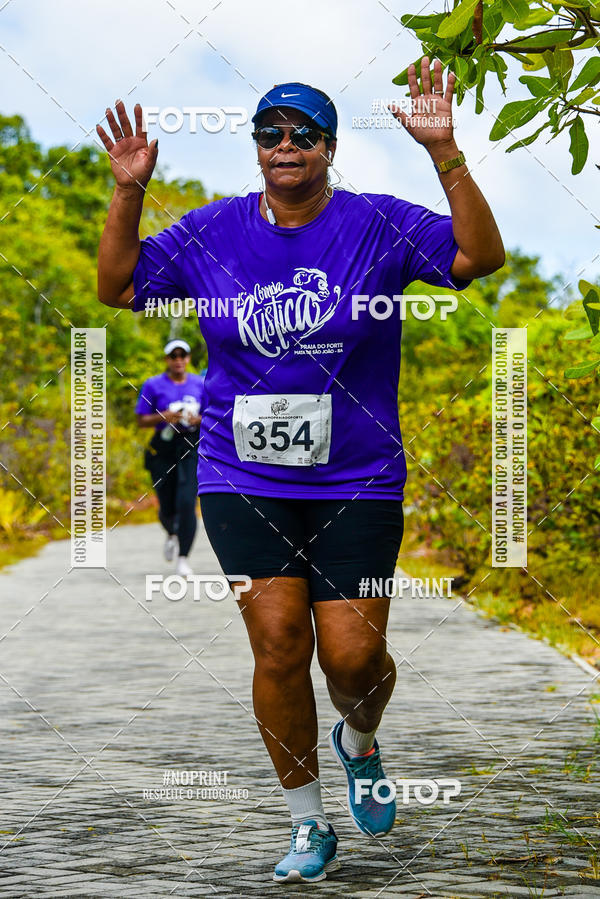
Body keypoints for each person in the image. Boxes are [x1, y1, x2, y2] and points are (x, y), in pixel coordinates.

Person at [97, 60, 504, 884]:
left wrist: (445, 149)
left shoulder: (375, 225)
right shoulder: (211, 232)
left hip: (357, 477)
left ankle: (358, 739)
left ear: (327, 148)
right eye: (269, 132)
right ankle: (307, 823)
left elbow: (479, 256)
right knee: (279, 645)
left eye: (303, 133)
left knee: (353, 658)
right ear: (256, 148)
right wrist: (130, 190)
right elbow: (119, 286)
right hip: (242, 476)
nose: (285, 145)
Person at [135, 338, 205, 576]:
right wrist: (163, 416)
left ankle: (183, 558)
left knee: (187, 502)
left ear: (188, 358)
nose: (178, 360)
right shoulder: (153, 385)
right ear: (167, 359)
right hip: (163, 447)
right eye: (173, 356)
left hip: (190, 445)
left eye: (182, 355)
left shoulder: (201, 383)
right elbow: (141, 420)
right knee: (166, 504)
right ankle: (172, 532)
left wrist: (198, 420)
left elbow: (214, 415)